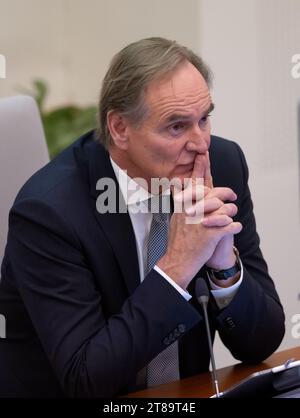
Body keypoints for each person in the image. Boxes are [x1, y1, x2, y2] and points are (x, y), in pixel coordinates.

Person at [0, 37, 285, 398]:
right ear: (120, 128)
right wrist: (178, 265)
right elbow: (86, 380)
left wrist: (223, 266)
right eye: (177, 127)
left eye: (204, 119)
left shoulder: (222, 167)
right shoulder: (50, 213)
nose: (200, 143)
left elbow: (261, 343)